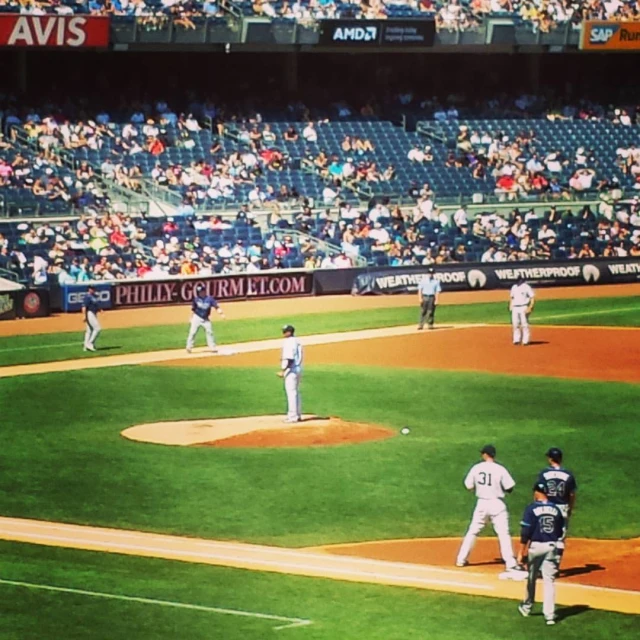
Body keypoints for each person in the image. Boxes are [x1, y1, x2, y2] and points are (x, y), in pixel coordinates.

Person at [456, 445, 522, 573]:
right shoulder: (500, 469)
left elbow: (468, 486)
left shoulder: (476, 468)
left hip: (481, 503)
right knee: (503, 533)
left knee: (473, 531)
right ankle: (510, 563)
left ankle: (461, 559)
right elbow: (510, 488)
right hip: (497, 504)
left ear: (485, 454)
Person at [517, 482, 565, 626]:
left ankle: (526, 607)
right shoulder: (556, 509)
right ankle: (550, 616)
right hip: (552, 546)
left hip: (536, 547)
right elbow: (560, 531)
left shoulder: (531, 509)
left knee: (531, 578)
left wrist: (521, 553)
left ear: (537, 492)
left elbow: (526, 533)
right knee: (549, 581)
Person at [536, 447, 577, 562]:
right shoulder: (568, 475)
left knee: (544, 535)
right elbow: (572, 494)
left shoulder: (544, 474)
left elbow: (538, 492)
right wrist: (570, 508)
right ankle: (555, 565)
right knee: (560, 538)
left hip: (547, 507)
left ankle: (542, 565)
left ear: (550, 459)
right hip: (562, 507)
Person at [186, 284, 225, 353]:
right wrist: (191, 317)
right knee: (192, 332)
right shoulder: (196, 299)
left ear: (204, 291)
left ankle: (212, 347)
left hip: (206, 319)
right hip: (197, 317)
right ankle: (189, 347)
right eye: (199, 292)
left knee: (210, 332)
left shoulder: (210, 299)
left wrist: (221, 314)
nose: (200, 293)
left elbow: (216, 307)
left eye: (201, 291)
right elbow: (193, 309)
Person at [276, 324, 303, 423]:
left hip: (291, 370)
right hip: (298, 369)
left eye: (284, 331)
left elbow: (290, 359)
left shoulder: (288, 342)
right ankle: (298, 414)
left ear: (289, 332)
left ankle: (292, 417)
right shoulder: (297, 340)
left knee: (291, 393)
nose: (283, 333)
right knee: (296, 392)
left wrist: (283, 371)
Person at [509, 276, 535, 345]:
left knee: (524, 324)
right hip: (515, 307)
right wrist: (510, 305)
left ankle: (525, 340)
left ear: (521, 280)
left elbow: (532, 297)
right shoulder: (514, 287)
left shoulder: (526, 287)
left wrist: (530, 307)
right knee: (515, 324)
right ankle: (516, 339)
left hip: (523, 306)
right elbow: (512, 297)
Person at [82, 285, 102, 352]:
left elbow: (96, 304)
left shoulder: (94, 296)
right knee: (97, 328)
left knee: (89, 331)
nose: (93, 290)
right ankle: (90, 343)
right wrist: (84, 316)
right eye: (92, 288)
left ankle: (85, 346)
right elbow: (84, 307)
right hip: (89, 313)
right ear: (89, 289)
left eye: (93, 288)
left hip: (93, 313)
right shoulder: (87, 297)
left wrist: (100, 309)